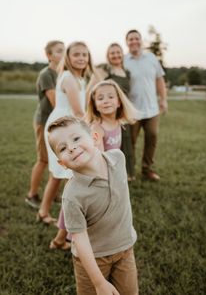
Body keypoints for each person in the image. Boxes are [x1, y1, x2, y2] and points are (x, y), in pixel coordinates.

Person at [47, 116, 139, 295]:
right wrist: (98, 282)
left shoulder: (118, 159)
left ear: (95, 138)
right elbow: (79, 239)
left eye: (76, 139)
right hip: (93, 258)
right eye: (63, 148)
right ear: (62, 164)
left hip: (125, 247)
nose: (72, 147)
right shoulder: (72, 196)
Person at [37, 41, 94, 230]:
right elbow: (78, 112)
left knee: (60, 174)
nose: (81, 58)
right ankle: (58, 221)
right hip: (60, 130)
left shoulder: (80, 78)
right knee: (62, 174)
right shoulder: (69, 77)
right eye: (76, 54)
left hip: (68, 129)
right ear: (68, 58)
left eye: (84, 55)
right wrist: (92, 129)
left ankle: (45, 212)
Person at [25, 40, 65, 209]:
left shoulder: (63, 73)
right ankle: (32, 195)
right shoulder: (46, 74)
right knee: (43, 159)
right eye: (58, 51)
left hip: (58, 123)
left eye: (64, 50)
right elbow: (56, 102)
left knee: (57, 159)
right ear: (49, 55)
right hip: (44, 121)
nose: (62, 54)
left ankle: (53, 193)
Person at [124, 29, 168, 181]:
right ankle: (129, 171)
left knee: (152, 137)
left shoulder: (151, 58)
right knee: (130, 142)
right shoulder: (124, 61)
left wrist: (163, 99)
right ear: (127, 42)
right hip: (132, 110)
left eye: (136, 38)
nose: (134, 41)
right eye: (130, 39)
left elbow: (159, 80)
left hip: (151, 109)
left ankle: (146, 169)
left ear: (141, 41)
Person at [96, 43, 135, 180]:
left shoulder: (127, 72)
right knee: (112, 142)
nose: (116, 55)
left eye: (118, 52)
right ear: (108, 56)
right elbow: (97, 89)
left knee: (127, 141)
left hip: (123, 110)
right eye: (112, 53)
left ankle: (128, 172)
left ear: (122, 54)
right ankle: (109, 172)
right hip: (111, 112)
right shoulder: (105, 72)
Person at [85, 80, 136, 155]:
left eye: (111, 97)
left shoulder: (118, 122)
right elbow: (100, 158)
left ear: (118, 102)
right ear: (95, 105)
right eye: (100, 98)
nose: (106, 101)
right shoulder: (97, 129)